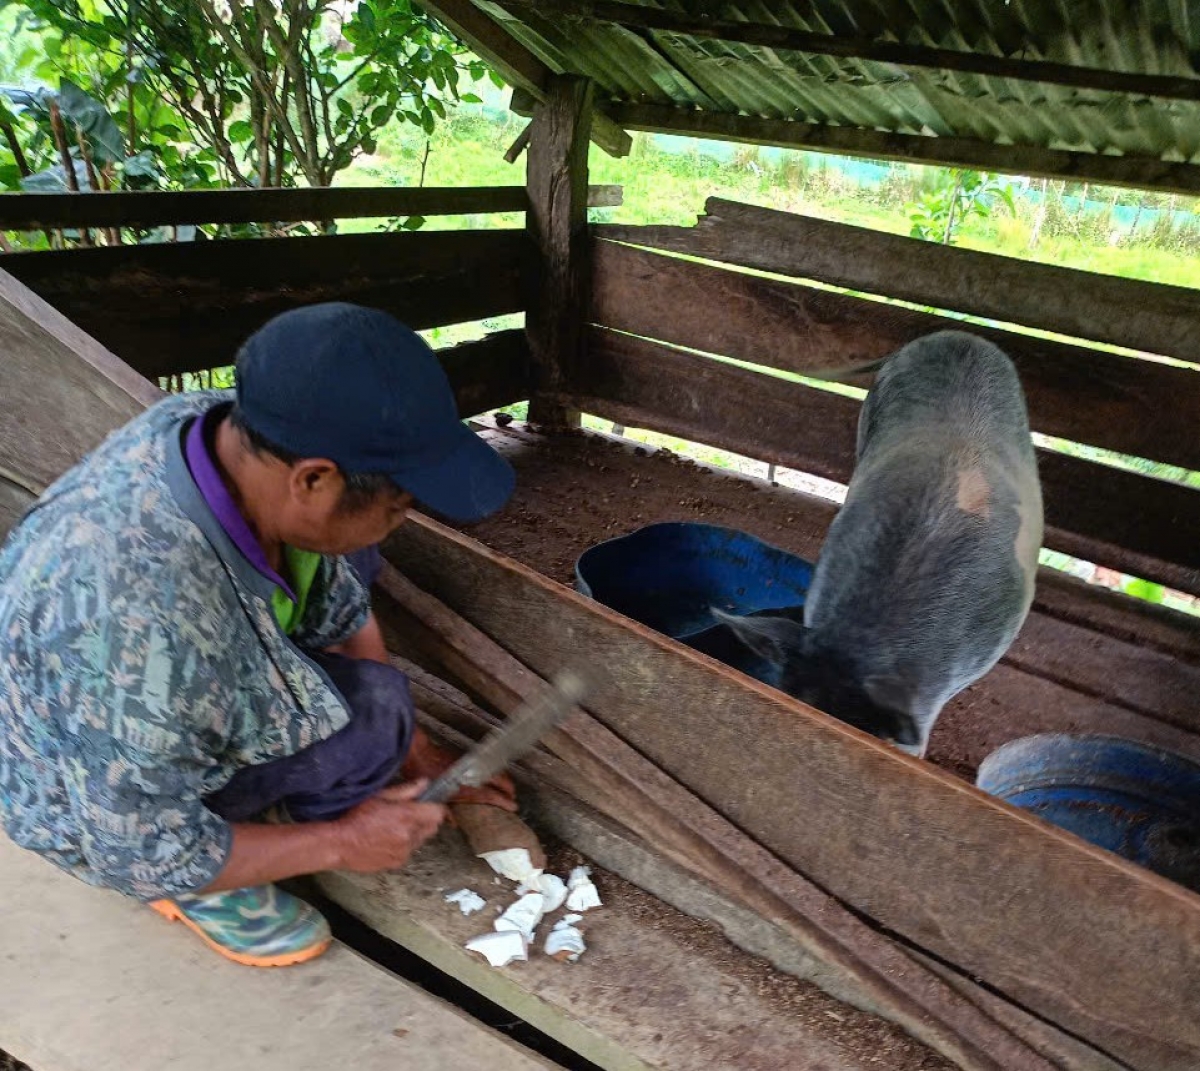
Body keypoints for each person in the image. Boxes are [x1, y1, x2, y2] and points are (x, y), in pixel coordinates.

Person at [0, 302, 517, 967]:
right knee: (363, 733)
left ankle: (259, 815)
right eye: (397, 509)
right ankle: (204, 883)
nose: (398, 523)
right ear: (313, 479)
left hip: (135, 690)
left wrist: (419, 750)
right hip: (84, 800)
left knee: (378, 696)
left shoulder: (238, 433)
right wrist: (344, 842)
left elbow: (343, 602)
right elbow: (132, 842)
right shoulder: (145, 619)